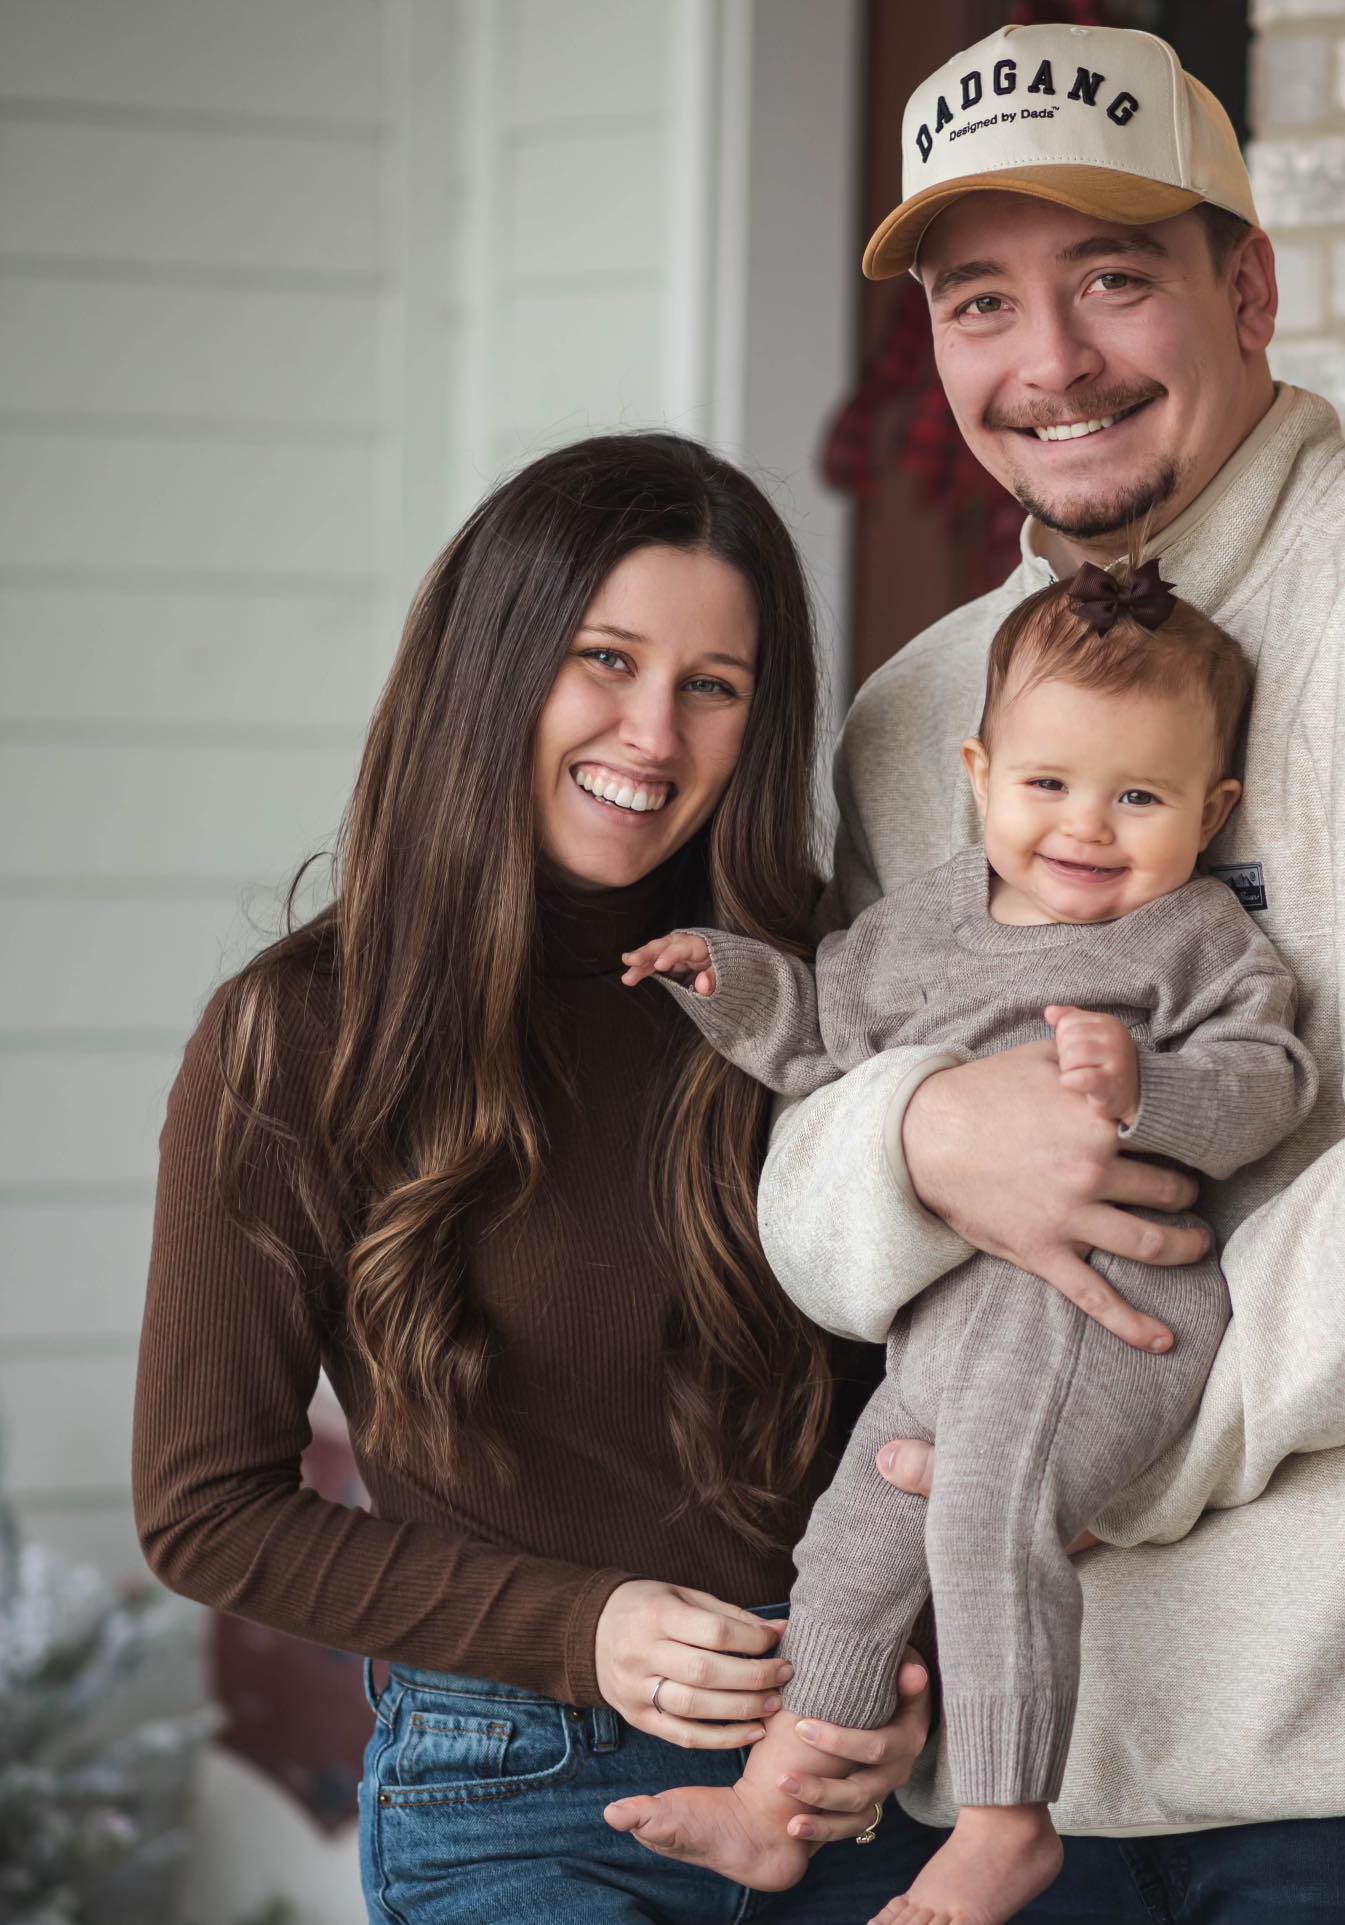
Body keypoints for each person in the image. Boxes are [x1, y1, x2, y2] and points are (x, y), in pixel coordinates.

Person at [752, 21, 1345, 1923]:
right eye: (980, 304)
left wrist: (1048, 1450)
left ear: (1249, 285)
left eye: (1114, 277)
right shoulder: (918, 716)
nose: (1049, 363)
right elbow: (813, 1158)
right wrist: (917, 1139)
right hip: (1016, 1764)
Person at [132, 434, 946, 1923]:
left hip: (846, 1771)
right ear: (493, 665)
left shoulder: (820, 1002)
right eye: (604, 660)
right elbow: (206, 1507)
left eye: (713, 685)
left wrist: (905, 1694)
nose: (653, 731)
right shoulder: (299, 1033)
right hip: (513, 1781)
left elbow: (937, 1404)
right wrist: (584, 1628)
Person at [607, 561, 1316, 1925]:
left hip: (1106, 1314)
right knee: (853, 1537)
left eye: (1141, 798)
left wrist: (1145, 1089)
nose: (1086, 829)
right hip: (945, 1326)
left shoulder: (1195, 939)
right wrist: (728, 979)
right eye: (1047, 784)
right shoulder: (919, 926)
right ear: (979, 771)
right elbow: (823, 1042)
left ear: (1211, 811)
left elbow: (1267, 1081)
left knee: (987, 1512)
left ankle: (1003, 1816)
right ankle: (780, 1799)